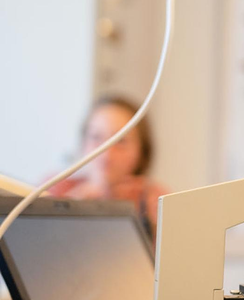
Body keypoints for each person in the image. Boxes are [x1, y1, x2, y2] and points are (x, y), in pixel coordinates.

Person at [48, 95, 167, 238]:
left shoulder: (156, 201)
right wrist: (69, 209)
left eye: (121, 141)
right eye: (96, 137)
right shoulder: (53, 190)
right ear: (83, 142)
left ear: (142, 151)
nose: (106, 152)